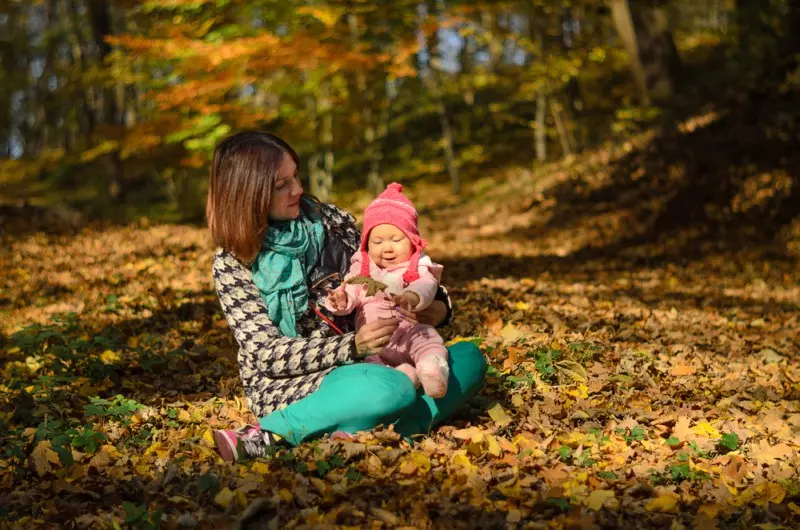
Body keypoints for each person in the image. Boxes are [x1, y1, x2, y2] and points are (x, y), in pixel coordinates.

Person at [206, 131, 486, 462]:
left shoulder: (332, 221)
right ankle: (269, 435)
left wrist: (436, 307)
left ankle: (377, 434)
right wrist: (351, 346)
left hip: (380, 356)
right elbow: (266, 354)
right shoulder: (233, 262)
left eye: (295, 175)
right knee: (390, 388)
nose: (297, 189)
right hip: (299, 380)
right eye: (281, 185)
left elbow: (396, 270)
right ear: (248, 194)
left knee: (468, 358)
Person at [325, 182, 450, 398]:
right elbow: (352, 292)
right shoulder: (361, 268)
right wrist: (341, 300)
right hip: (374, 341)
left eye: (396, 239)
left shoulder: (416, 265)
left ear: (412, 241)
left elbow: (427, 284)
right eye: (378, 241)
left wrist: (412, 296)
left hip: (407, 331)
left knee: (427, 338)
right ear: (366, 243)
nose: (387, 248)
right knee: (372, 366)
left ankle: (433, 369)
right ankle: (403, 378)